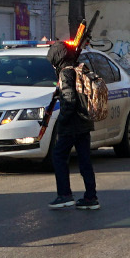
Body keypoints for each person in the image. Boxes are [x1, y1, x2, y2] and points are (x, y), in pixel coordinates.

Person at [45, 38, 99, 210]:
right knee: (85, 161)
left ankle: (65, 195)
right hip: (84, 121)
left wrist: (62, 120)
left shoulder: (65, 73)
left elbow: (69, 99)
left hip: (72, 124)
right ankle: (91, 197)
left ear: (56, 57)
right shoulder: (77, 68)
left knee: (59, 156)